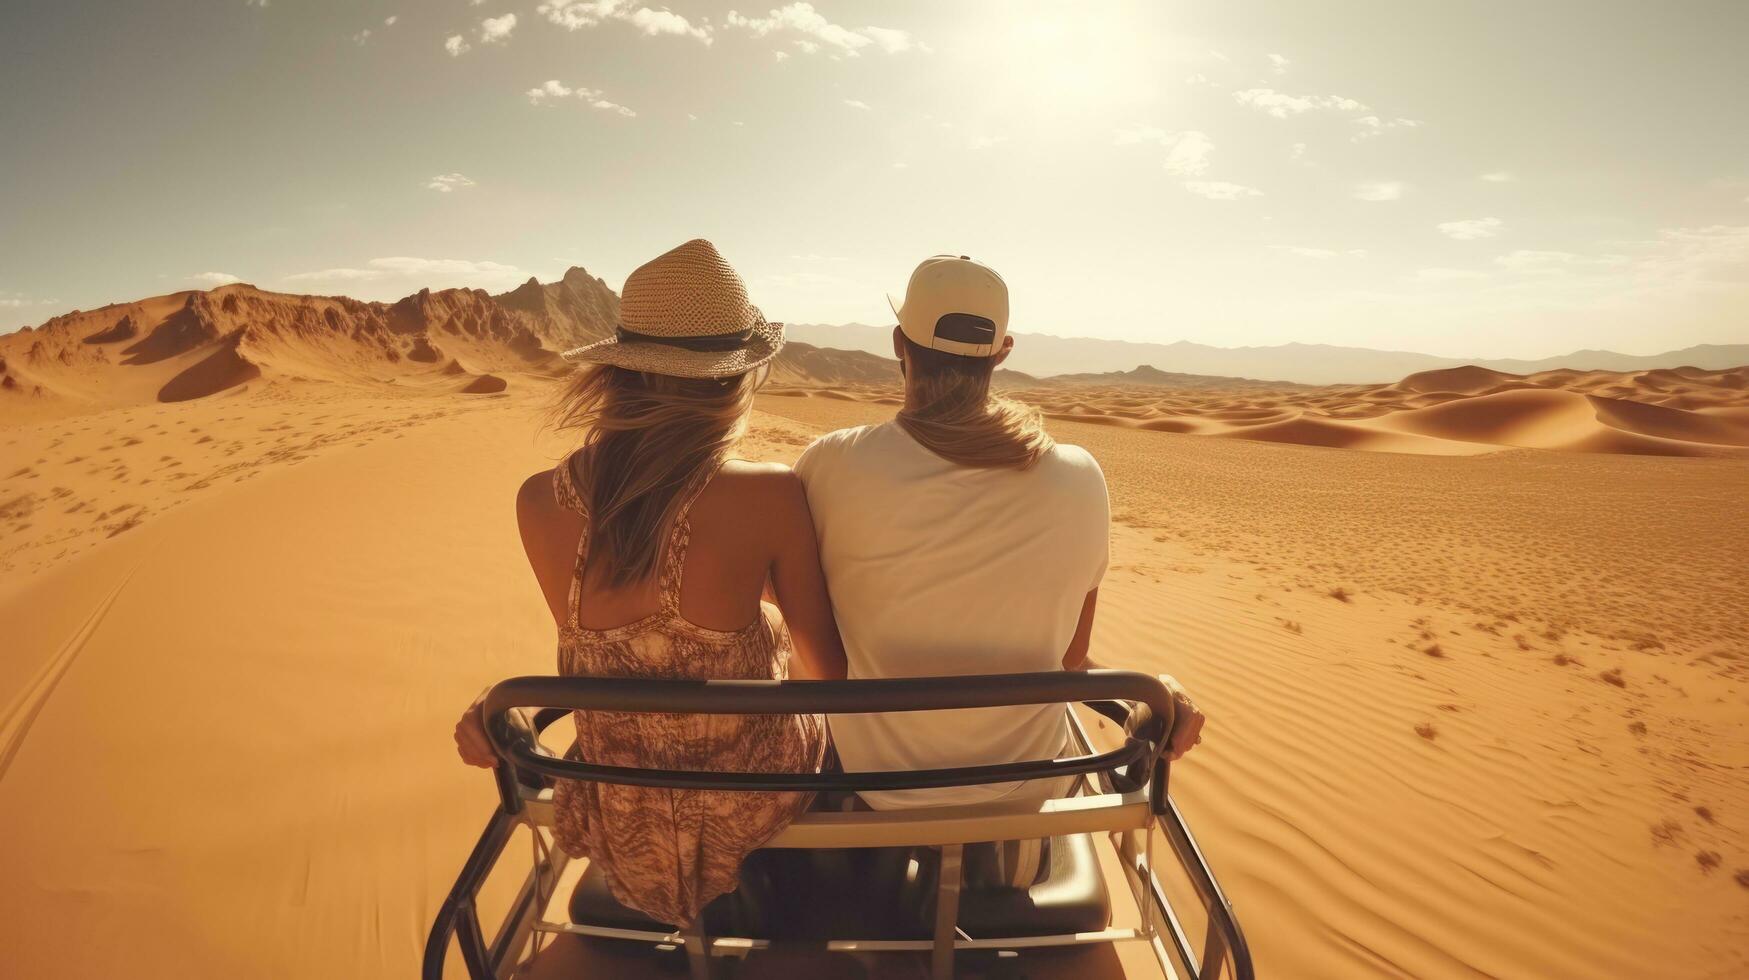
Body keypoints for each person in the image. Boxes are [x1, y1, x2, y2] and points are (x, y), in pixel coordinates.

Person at [453, 239, 848, 928]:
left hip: (618, 807)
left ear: (619, 372)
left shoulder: (538, 500)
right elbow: (829, 677)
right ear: (734, 379)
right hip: (754, 802)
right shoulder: (769, 495)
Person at [793, 254, 1205, 886]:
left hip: (876, 783)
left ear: (898, 343)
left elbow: (809, 639)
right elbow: (1072, 659)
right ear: (1003, 351)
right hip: (1021, 788)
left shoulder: (828, 465)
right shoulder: (1078, 477)